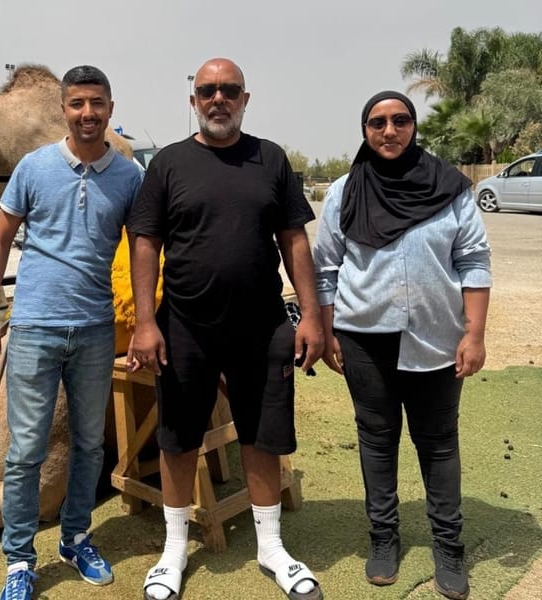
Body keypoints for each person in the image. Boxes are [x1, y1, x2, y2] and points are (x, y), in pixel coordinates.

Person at [128, 57, 325, 600]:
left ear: (245, 98)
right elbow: (145, 242)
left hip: (260, 325)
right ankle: (173, 551)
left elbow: (294, 241)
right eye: (207, 90)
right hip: (183, 326)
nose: (219, 99)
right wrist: (146, 323)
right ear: (193, 99)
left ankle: (271, 547)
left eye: (229, 90)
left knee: (263, 435)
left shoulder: (271, 159)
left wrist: (310, 316)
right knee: (178, 437)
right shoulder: (168, 163)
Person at [312, 90, 491, 600]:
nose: (389, 131)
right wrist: (326, 331)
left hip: (437, 339)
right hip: (364, 340)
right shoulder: (346, 192)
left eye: (400, 121)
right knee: (376, 438)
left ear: (413, 127)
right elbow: (325, 269)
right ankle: (383, 538)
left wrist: (473, 334)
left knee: (438, 443)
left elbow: (474, 261)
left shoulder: (451, 189)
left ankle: (449, 549)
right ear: (364, 130)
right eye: (377, 122)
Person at [0, 65, 143, 600]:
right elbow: (0, 241)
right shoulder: (33, 167)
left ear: (110, 109)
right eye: (77, 104)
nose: (87, 113)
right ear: (63, 110)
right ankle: (20, 559)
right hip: (34, 326)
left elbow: (140, 251)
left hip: (96, 329)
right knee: (26, 450)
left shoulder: (129, 177)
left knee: (90, 445)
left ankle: (75, 538)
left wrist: (144, 322)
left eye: (97, 103)